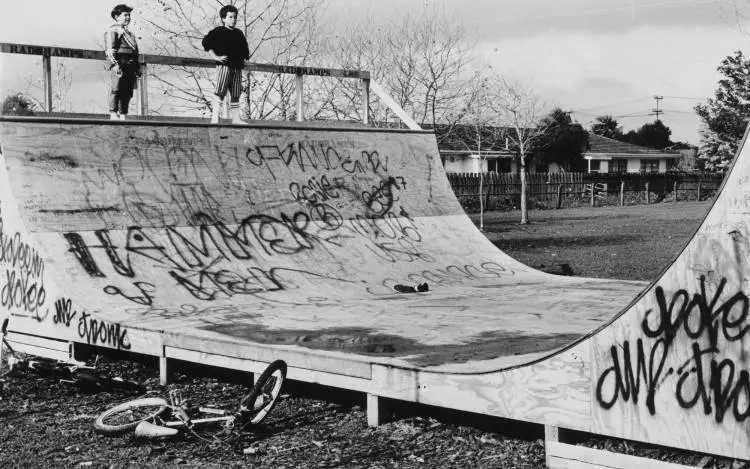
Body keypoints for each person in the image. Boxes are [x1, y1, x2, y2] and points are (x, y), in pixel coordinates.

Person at [202, 5, 250, 124]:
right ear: (224, 19)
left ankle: (236, 119)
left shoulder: (239, 33)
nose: (233, 19)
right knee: (220, 91)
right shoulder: (218, 31)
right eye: (230, 17)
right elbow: (206, 43)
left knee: (235, 93)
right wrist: (215, 57)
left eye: (235, 17)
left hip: (237, 67)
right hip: (224, 66)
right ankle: (214, 118)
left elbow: (245, 49)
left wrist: (244, 58)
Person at [105, 4, 141, 120]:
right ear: (117, 17)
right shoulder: (113, 31)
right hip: (119, 62)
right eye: (125, 15)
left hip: (130, 64)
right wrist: (115, 64)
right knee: (116, 88)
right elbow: (110, 50)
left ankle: (123, 113)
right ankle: (113, 112)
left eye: (129, 15)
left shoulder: (130, 34)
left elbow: (135, 52)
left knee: (127, 90)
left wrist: (137, 67)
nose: (128, 18)